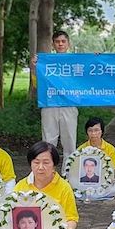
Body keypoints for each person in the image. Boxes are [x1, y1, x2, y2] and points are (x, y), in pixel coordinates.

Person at [0, 142, 79, 229]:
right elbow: (8, 216)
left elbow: (71, 217)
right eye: (36, 162)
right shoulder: (21, 186)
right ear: (30, 163)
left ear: (54, 165)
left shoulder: (64, 187)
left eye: (46, 163)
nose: (40, 167)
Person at [35, 30, 78, 159]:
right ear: (53, 44)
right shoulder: (45, 62)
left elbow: (89, 74)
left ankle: (69, 174)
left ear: (68, 44)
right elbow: (36, 83)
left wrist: (95, 59)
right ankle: (48, 169)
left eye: (63, 41)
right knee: (48, 141)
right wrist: (35, 66)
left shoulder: (77, 62)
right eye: (57, 42)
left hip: (69, 105)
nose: (60, 44)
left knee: (70, 140)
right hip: (49, 104)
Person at [73, 117, 115, 198]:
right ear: (87, 132)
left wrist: (108, 180)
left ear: (102, 131)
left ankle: (91, 195)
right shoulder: (81, 149)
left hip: (103, 183)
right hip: (85, 184)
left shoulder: (110, 148)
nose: (93, 134)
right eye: (90, 130)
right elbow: (76, 170)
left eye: (96, 130)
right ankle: (93, 195)